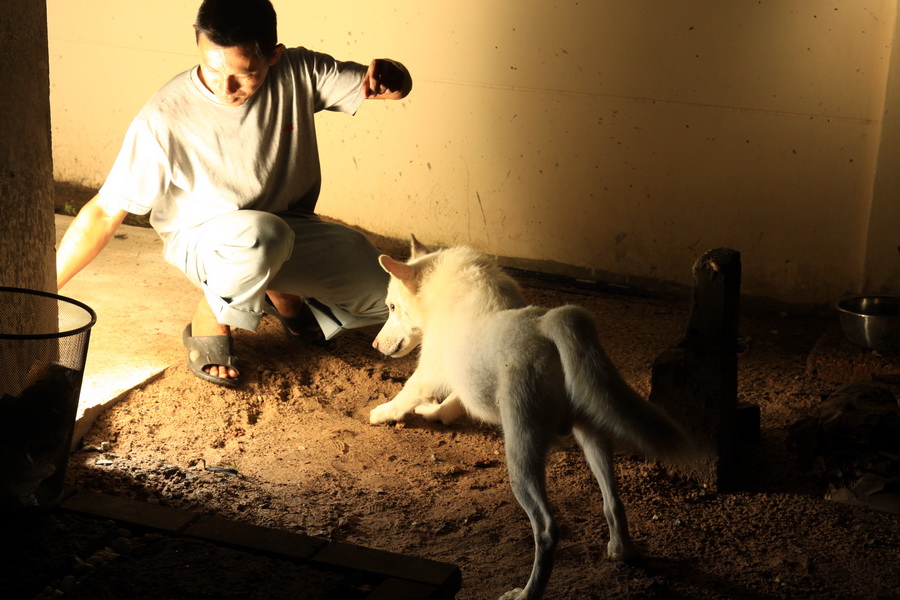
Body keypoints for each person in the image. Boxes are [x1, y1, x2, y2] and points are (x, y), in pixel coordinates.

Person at [55, 0, 412, 387]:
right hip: (206, 241)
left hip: (288, 229)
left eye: (244, 74)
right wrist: (43, 291)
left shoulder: (299, 70)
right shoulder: (163, 117)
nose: (225, 88)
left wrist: (395, 75)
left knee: (391, 299)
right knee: (262, 237)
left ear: (274, 56)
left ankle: (282, 294)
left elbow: (390, 90)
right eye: (211, 69)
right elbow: (104, 213)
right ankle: (210, 317)